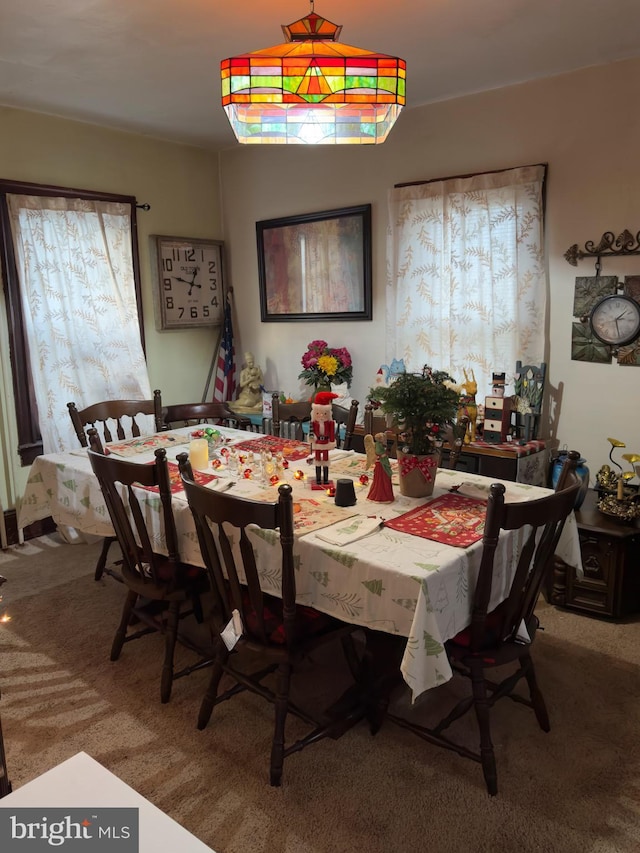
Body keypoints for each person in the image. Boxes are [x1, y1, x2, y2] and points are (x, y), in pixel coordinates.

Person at [309, 391, 338, 485]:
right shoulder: (313, 423)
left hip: (325, 442)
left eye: (324, 414)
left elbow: (332, 433)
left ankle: (325, 479)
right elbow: (311, 432)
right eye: (318, 413)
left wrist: (332, 442)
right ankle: (318, 479)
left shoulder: (330, 423)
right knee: (317, 460)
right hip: (317, 443)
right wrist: (312, 438)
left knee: (326, 460)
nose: (321, 416)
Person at [364, 432, 394, 502]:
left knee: (385, 478)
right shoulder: (378, 446)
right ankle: (381, 495)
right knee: (382, 479)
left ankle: (385, 495)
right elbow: (379, 453)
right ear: (380, 439)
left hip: (383, 462)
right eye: (383, 438)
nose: (384, 439)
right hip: (381, 464)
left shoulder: (380, 444)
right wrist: (384, 454)